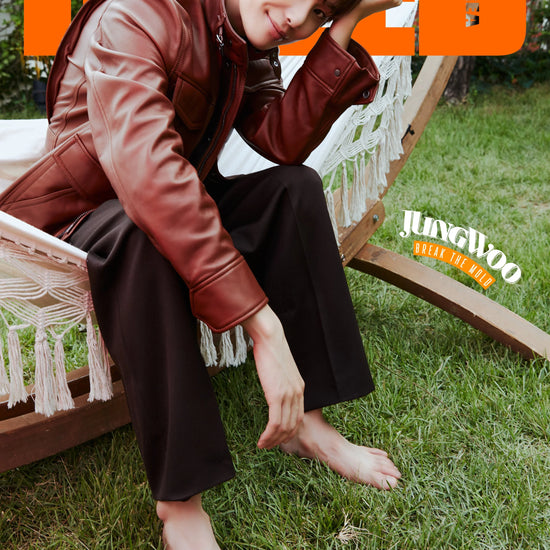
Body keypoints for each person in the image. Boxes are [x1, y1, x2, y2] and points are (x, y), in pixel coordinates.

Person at [0, 0, 402, 547]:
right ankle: (180, 501)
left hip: (174, 199)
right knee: (141, 238)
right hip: (85, 214)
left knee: (293, 191)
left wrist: (347, 24)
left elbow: (279, 142)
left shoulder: (244, 32)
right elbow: (148, 175)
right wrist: (263, 326)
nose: (296, 17)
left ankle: (307, 425)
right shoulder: (140, 12)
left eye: (320, 11)